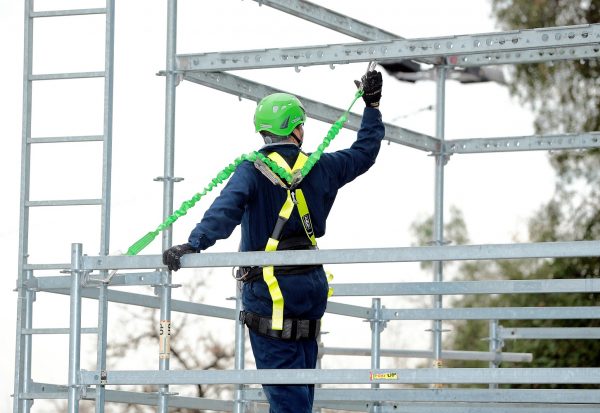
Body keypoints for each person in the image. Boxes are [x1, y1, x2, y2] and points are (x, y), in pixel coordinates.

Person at [163, 70, 384, 413]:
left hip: (271, 292)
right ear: (297, 128)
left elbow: (225, 210)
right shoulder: (321, 167)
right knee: (300, 389)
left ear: (264, 130)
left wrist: (194, 245)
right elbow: (365, 152)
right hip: (310, 287)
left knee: (286, 398)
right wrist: (372, 106)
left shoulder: (252, 170)